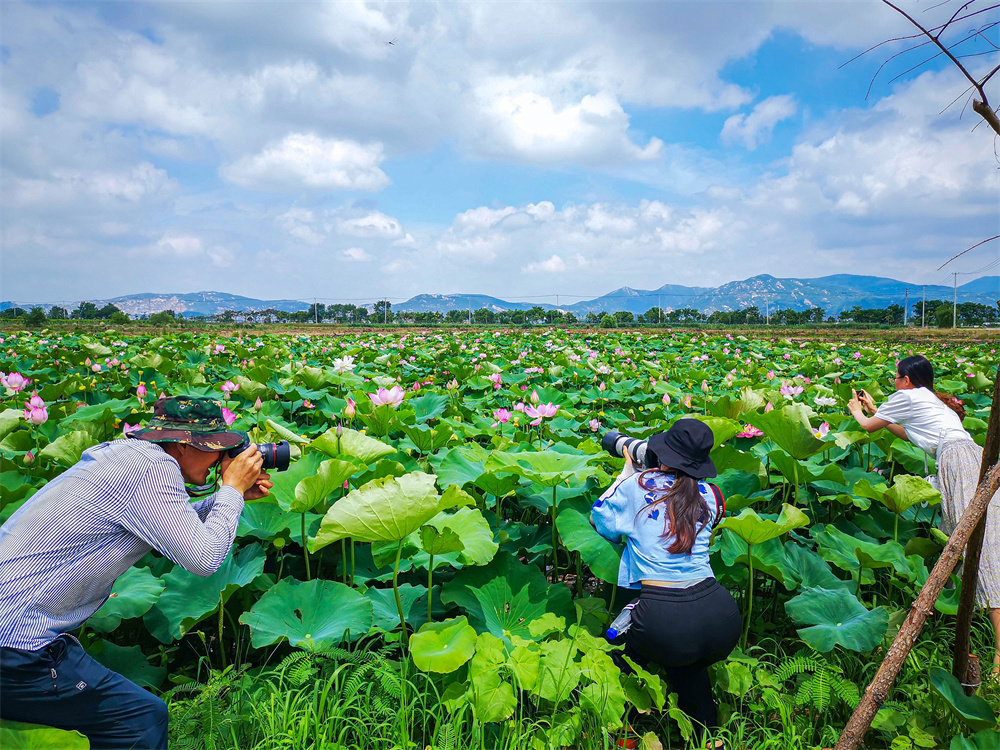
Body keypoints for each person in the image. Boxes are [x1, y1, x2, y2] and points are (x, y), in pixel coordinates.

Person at [0, 396, 272, 750]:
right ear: (182, 445)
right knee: (139, 720)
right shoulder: (153, 468)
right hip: (17, 643)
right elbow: (204, 559)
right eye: (214, 449)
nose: (223, 459)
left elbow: (169, 530)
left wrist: (228, 499)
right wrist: (231, 490)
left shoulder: (130, 458)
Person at [848, 354, 1000, 671]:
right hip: (971, 456)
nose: (893, 382)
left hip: (956, 464)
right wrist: (878, 411)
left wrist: (857, 410)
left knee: (978, 550)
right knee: (982, 543)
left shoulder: (906, 396)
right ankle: (964, 629)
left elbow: (866, 427)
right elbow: (913, 434)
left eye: (895, 377)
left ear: (906, 380)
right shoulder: (931, 399)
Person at [591, 419, 739, 741]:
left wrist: (627, 474)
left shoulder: (636, 487)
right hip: (720, 616)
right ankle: (707, 738)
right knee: (686, 663)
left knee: (621, 658)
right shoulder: (712, 494)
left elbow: (599, 518)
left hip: (665, 619)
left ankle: (622, 731)